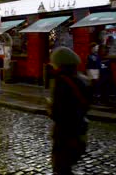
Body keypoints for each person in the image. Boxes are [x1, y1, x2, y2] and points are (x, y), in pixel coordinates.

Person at [47, 47, 91, 175]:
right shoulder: (82, 79)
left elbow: (58, 112)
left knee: (61, 168)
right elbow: (86, 104)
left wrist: (50, 107)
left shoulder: (61, 81)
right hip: (79, 130)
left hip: (64, 133)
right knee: (67, 165)